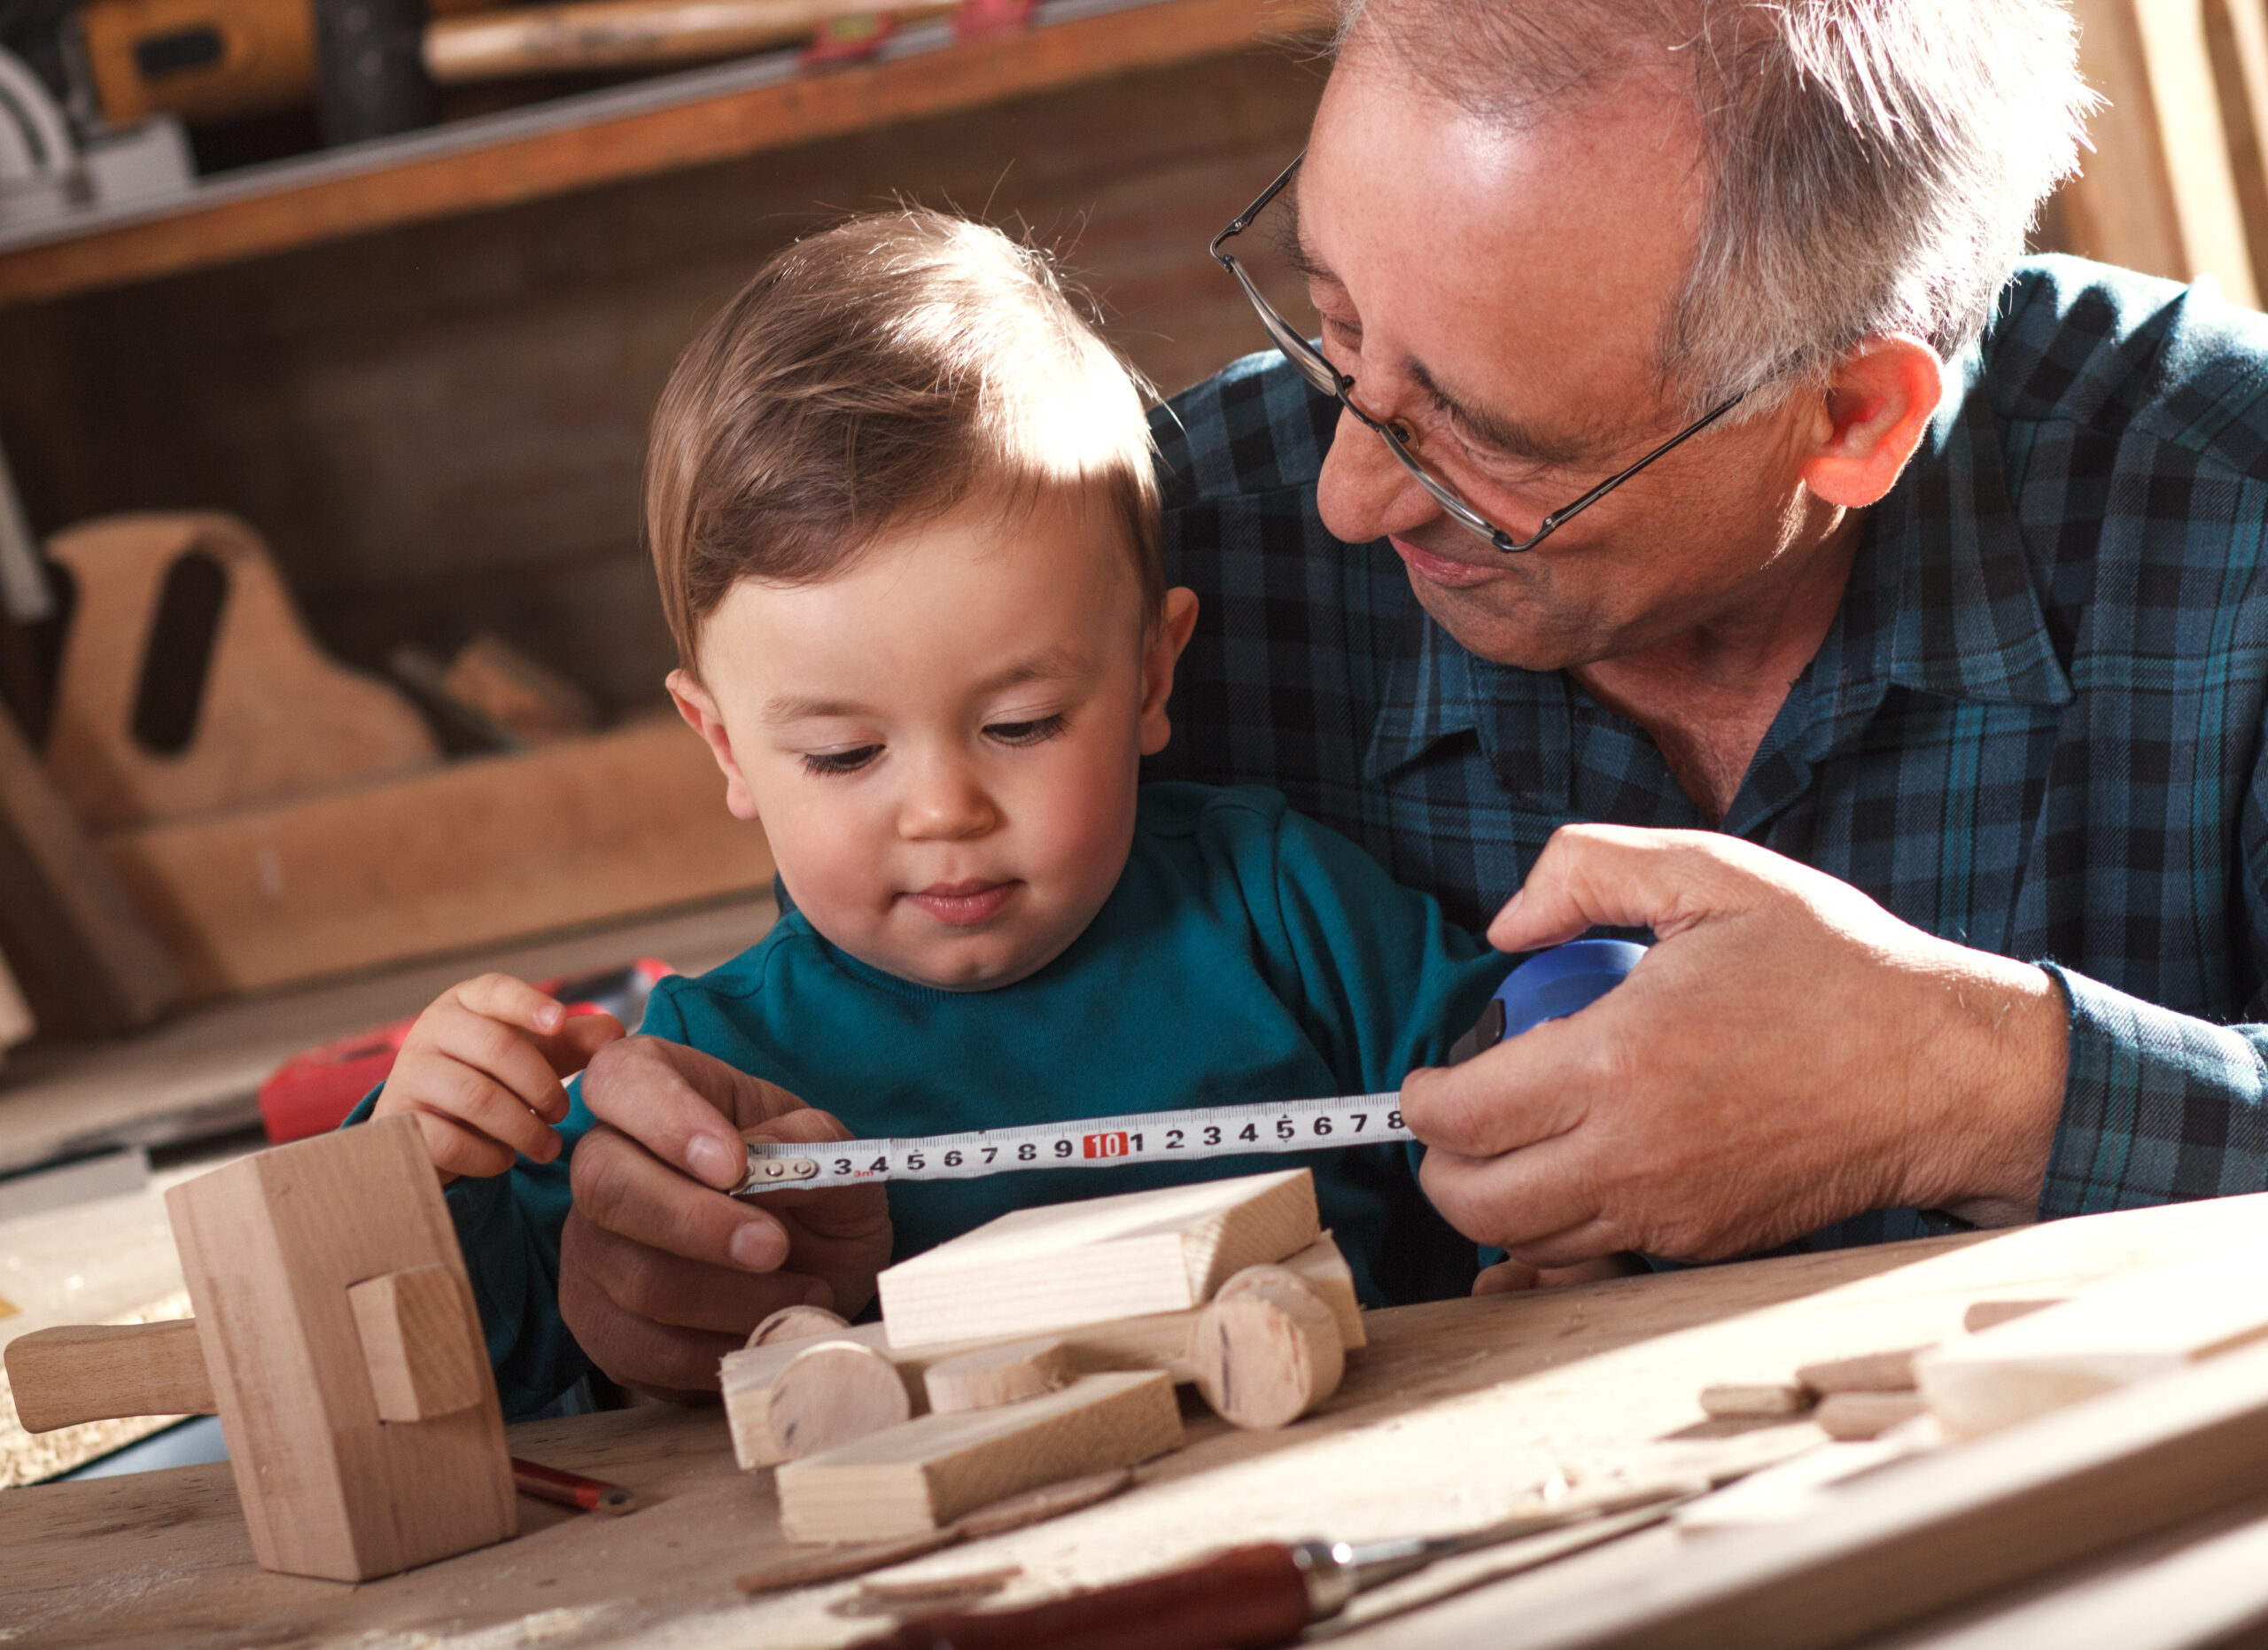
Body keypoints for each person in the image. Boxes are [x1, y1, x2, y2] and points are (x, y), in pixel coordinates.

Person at [553, 0, 2268, 1398]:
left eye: (1481, 444)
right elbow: (877, 987)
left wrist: (1978, 1082)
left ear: (1846, 424)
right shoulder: (1145, 552)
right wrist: (684, 1245)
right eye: (1328, 325)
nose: (1346, 500)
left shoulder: (2227, 516)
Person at [364, 208, 1521, 1413]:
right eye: (843, 751)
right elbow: (483, 1377)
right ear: (726, 745)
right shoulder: (699, 1079)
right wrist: (433, 1164)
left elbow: (1516, 1100)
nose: (944, 809)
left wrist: (1539, 1246)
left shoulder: (1286, 906)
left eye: (1019, 726)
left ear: (1150, 676)